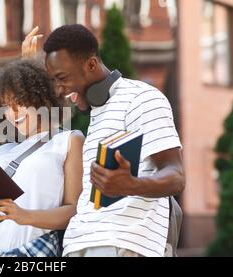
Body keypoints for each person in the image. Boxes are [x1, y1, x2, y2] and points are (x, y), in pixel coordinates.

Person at [24, 24, 185, 257]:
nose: (58, 89)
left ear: (90, 64)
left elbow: (176, 176)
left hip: (119, 243)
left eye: (62, 78)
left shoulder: (142, 98)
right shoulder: (98, 115)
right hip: (77, 244)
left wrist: (131, 185)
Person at [0, 60, 84, 257]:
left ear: (40, 97)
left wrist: (23, 216)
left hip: (30, 252)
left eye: (19, 102)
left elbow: (74, 211)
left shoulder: (68, 140)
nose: (13, 113)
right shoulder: (1, 152)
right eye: (6, 106)